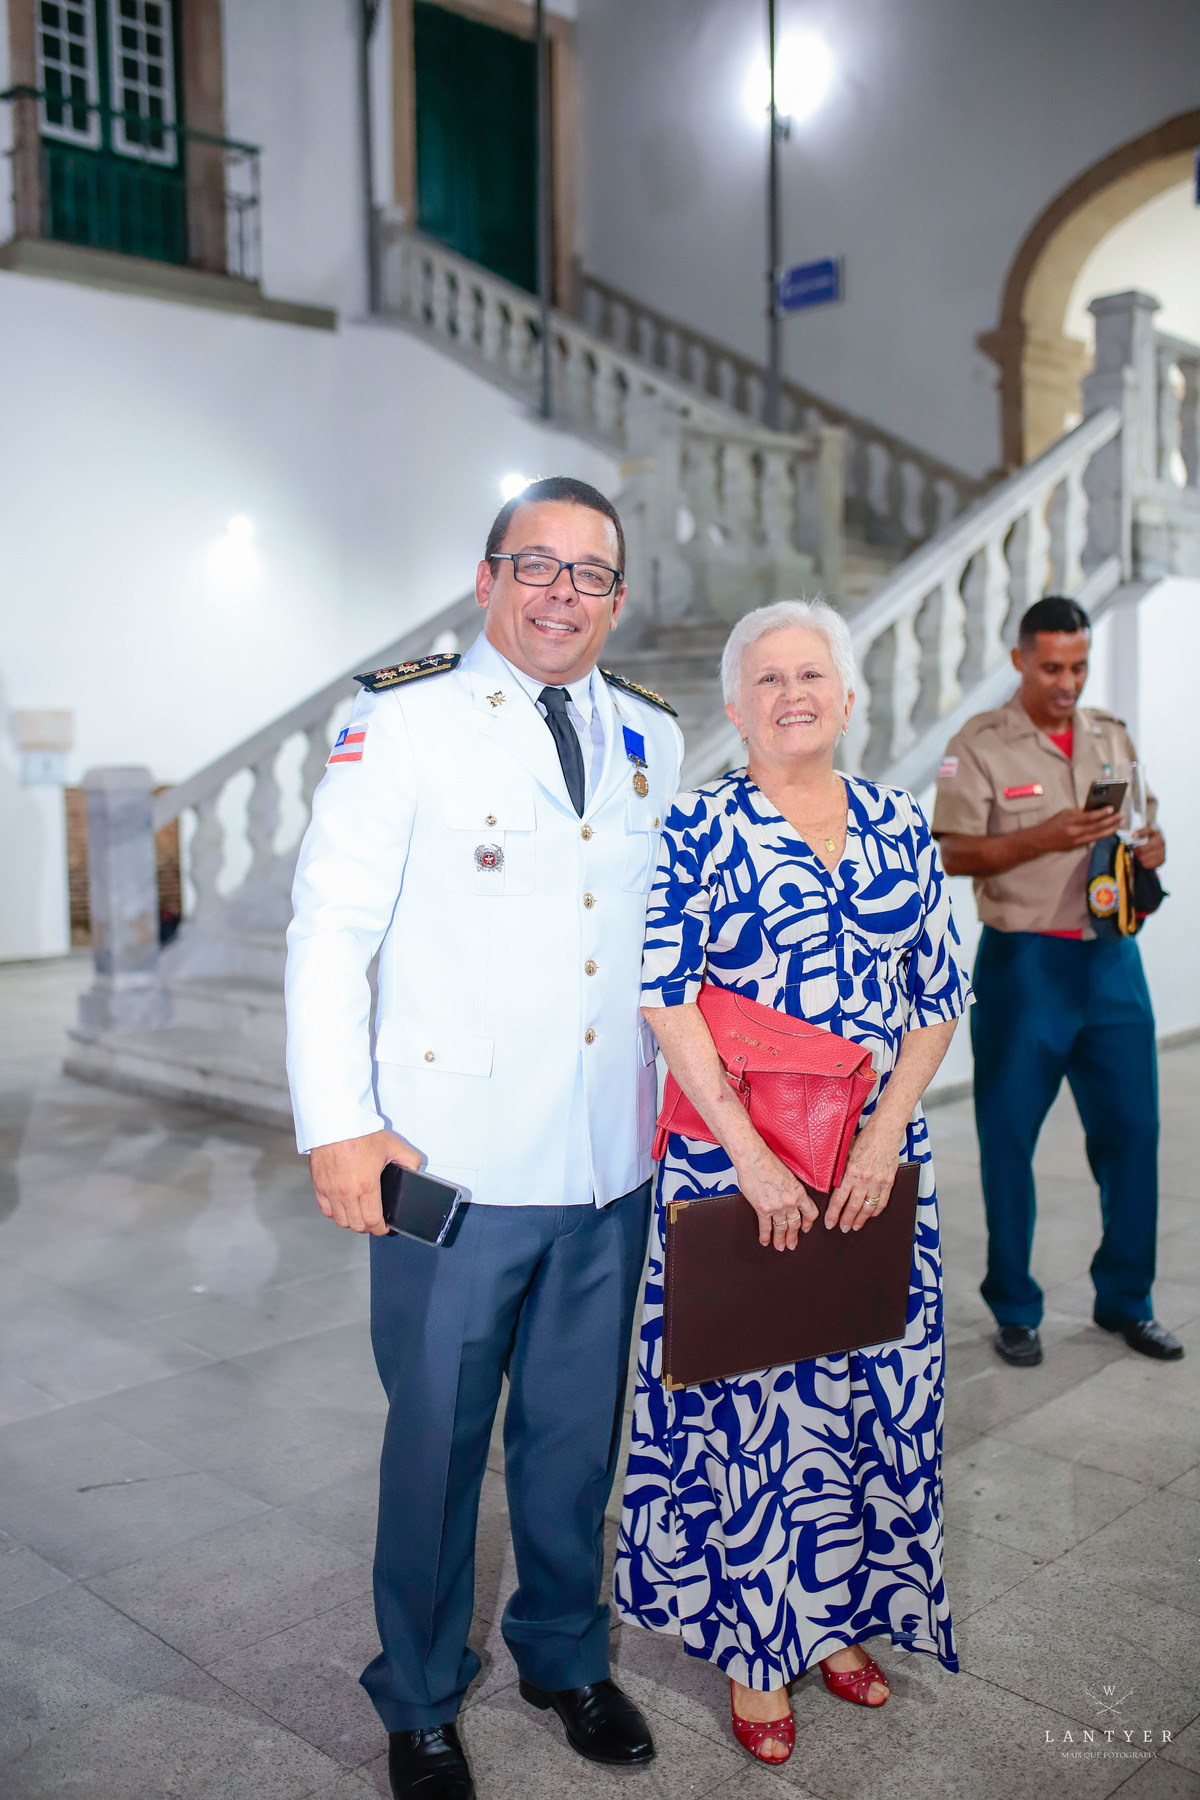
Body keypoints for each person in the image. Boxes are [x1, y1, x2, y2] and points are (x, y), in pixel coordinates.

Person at [285, 476, 684, 1800]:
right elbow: (331, 931)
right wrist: (341, 1127)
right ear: (488, 578)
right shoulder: (400, 721)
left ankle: (564, 1657)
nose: (564, 594)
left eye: (591, 574)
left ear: (617, 599)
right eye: (538, 566)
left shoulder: (651, 733)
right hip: (448, 1164)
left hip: (607, 1160)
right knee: (439, 1444)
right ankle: (417, 1694)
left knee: (574, 1437)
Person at [614, 599, 970, 1767]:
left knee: (868, 1391)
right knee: (754, 1413)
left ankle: (841, 1617)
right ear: (736, 706)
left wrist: (884, 1136)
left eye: (811, 674)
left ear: (848, 697)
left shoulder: (899, 822)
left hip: (874, 1162)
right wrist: (754, 1158)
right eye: (767, 679)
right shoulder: (698, 824)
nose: (791, 694)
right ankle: (758, 1650)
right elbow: (666, 997)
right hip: (738, 1164)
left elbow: (937, 997)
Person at [933, 594, 1181, 1369]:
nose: (1067, 683)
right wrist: (1044, 836)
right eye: (1051, 668)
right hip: (1025, 967)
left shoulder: (1110, 734)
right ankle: (1014, 1307)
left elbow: (1141, 820)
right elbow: (952, 851)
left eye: (1078, 666)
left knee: (1134, 1134)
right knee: (1009, 1141)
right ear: (1019, 660)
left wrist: (1151, 848)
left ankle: (1127, 1300)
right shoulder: (978, 745)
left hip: (1113, 964)